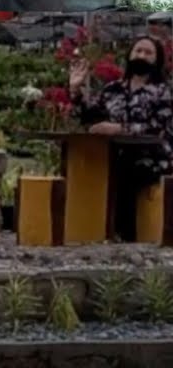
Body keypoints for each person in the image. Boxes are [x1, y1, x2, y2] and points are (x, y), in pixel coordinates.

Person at [69, 36, 173, 240]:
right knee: (86, 166)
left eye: (148, 52)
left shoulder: (165, 92)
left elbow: (158, 128)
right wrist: (76, 91)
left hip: (154, 158)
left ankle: (125, 237)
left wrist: (118, 128)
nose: (141, 55)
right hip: (115, 155)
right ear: (130, 55)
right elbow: (91, 118)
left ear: (157, 60)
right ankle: (86, 231)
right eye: (138, 51)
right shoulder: (112, 90)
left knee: (127, 173)